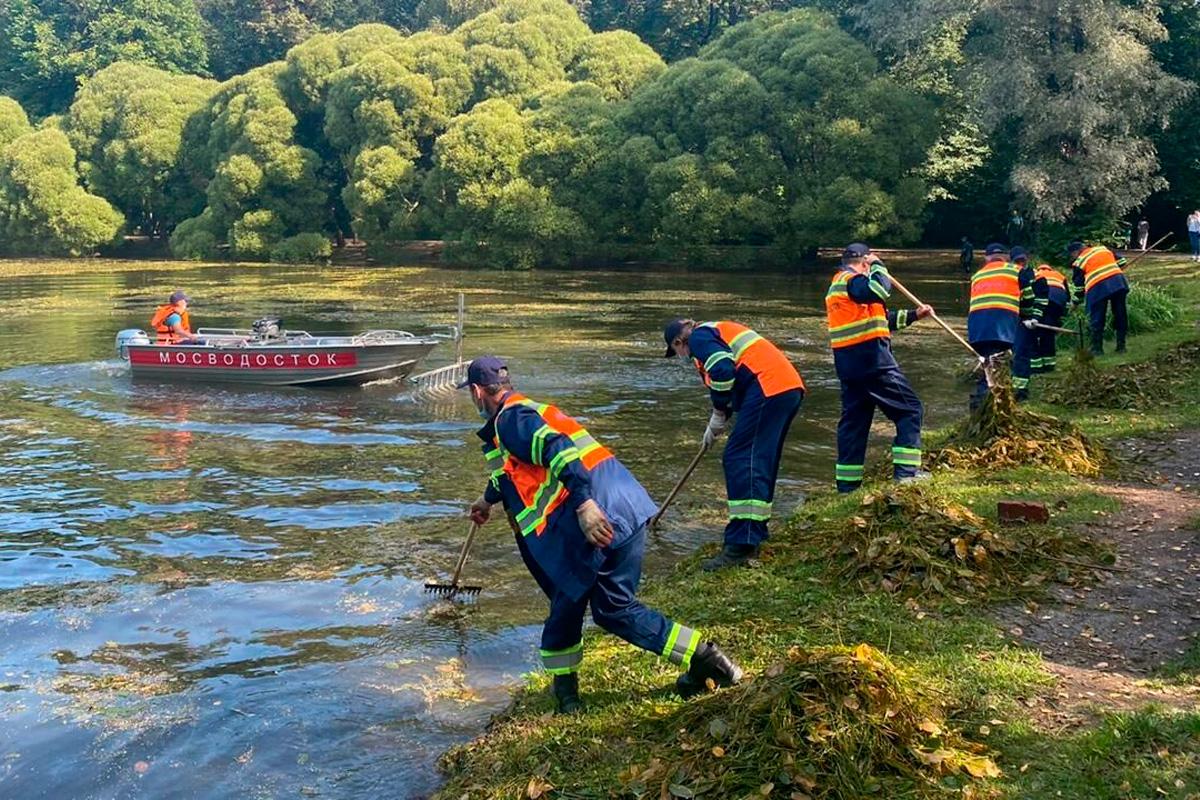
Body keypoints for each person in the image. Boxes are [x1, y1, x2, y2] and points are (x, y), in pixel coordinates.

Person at [462, 357, 743, 713]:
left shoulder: (510, 420)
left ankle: (567, 699)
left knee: (567, 604)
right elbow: (513, 470)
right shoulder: (529, 409)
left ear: (476, 391)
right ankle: (708, 658)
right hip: (627, 506)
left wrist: (584, 505)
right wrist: (487, 500)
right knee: (614, 609)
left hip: (596, 518)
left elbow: (557, 450)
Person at [663, 318, 804, 570]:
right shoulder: (715, 333)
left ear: (677, 342)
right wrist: (717, 421)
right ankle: (755, 533)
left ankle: (741, 544)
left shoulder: (699, 338)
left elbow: (722, 369)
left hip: (768, 386)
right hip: (784, 387)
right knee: (759, 459)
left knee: (740, 458)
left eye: (676, 352)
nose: (681, 356)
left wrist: (718, 411)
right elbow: (731, 384)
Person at [826, 243, 933, 493]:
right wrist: (879, 264)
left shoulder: (850, 288)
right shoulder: (851, 280)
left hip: (851, 368)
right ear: (863, 262)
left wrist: (915, 315)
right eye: (869, 263)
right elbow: (879, 289)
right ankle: (906, 475)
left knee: (854, 424)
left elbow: (882, 321)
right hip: (873, 364)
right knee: (910, 410)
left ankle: (847, 487)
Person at [967, 243, 1033, 408]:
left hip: (977, 328)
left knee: (988, 364)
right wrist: (1027, 316)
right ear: (1006, 257)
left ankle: (984, 403)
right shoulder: (1016, 271)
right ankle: (983, 404)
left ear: (986, 258)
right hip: (1002, 326)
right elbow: (1028, 296)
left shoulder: (977, 276)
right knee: (997, 365)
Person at [1068, 240, 1129, 355]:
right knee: (1120, 314)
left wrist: (1075, 303)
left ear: (1076, 252)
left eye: (1072, 255)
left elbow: (1079, 289)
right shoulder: (1102, 249)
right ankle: (1121, 346)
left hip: (1098, 288)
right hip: (1118, 283)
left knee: (1097, 318)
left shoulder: (1079, 263)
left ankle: (1097, 349)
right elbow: (1122, 261)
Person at [1027, 256, 1070, 373]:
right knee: (1049, 332)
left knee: (1034, 333)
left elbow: (1030, 292)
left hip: (1042, 300)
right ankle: (1049, 365)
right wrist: (1062, 315)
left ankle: (1036, 366)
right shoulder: (1059, 275)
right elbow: (1068, 298)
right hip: (1058, 302)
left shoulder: (1035, 274)